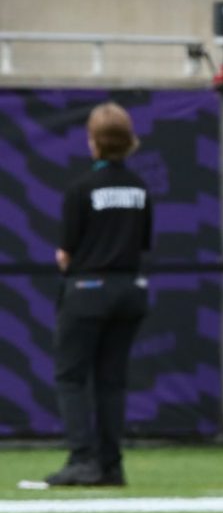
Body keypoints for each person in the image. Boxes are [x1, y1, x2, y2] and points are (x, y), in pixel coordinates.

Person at [45, 102, 153, 487]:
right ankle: (111, 464)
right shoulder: (139, 189)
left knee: (71, 377)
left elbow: (66, 252)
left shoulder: (81, 188)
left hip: (88, 289)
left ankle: (82, 458)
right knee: (112, 380)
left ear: (93, 142)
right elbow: (143, 243)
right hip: (130, 290)